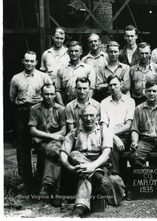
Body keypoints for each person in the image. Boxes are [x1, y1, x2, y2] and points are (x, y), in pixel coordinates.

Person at [9, 50, 53, 193]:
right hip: (22, 113)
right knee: (23, 146)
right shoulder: (16, 78)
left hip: (40, 112)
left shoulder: (44, 77)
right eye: (26, 60)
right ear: (23, 61)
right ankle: (26, 180)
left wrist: (39, 100)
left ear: (36, 62)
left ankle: (42, 179)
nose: (29, 63)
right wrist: (20, 102)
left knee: (41, 143)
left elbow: (50, 93)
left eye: (32, 61)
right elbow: (11, 99)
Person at [60, 105, 114, 217]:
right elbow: (63, 154)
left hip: (99, 164)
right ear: (80, 117)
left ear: (98, 117)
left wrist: (92, 166)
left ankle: (79, 207)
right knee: (74, 154)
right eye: (85, 115)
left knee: (84, 174)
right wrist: (70, 167)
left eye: (92, 115)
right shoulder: (74, 133)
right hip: (78, 165)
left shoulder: (105, 131)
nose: (88, 118)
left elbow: (106, 154)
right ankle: (96, 175)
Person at [28, 83, 66, 207]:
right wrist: (51, 136)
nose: (49, 97)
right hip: (43, 143)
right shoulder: (35, 109)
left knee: (53, 151)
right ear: (41, 95)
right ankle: (56, 192)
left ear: (55, 94)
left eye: (51, 94)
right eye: (46, 94)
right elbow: (33, 130)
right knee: (54, 153)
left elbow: (64, 130)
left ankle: (47, 185)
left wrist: (54, 137)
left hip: (55, 143)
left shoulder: (60, 109)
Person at [100, 75, 136, 177]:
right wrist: (114, 137)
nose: (113, 87)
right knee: (111, 145)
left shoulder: (130, 101)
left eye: (115, 84)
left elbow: (128, 126)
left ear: (121, 84)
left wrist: (112, 135)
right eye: (110, 85)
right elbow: (103, 125)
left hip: (125, 135)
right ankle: (115, 177)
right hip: (110, 136)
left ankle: (120, 178)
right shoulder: (104, 102)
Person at [55, 41, 95, 106]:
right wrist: (62, 106)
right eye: (71, 51)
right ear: (67, 52)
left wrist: (85, 105)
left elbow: (91, 89)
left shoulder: (88, 69)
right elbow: (57, 90)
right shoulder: (61, 70)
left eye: (76, 51)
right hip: (66, 105)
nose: (74, 53)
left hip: (84, 106)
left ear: (81, 52)